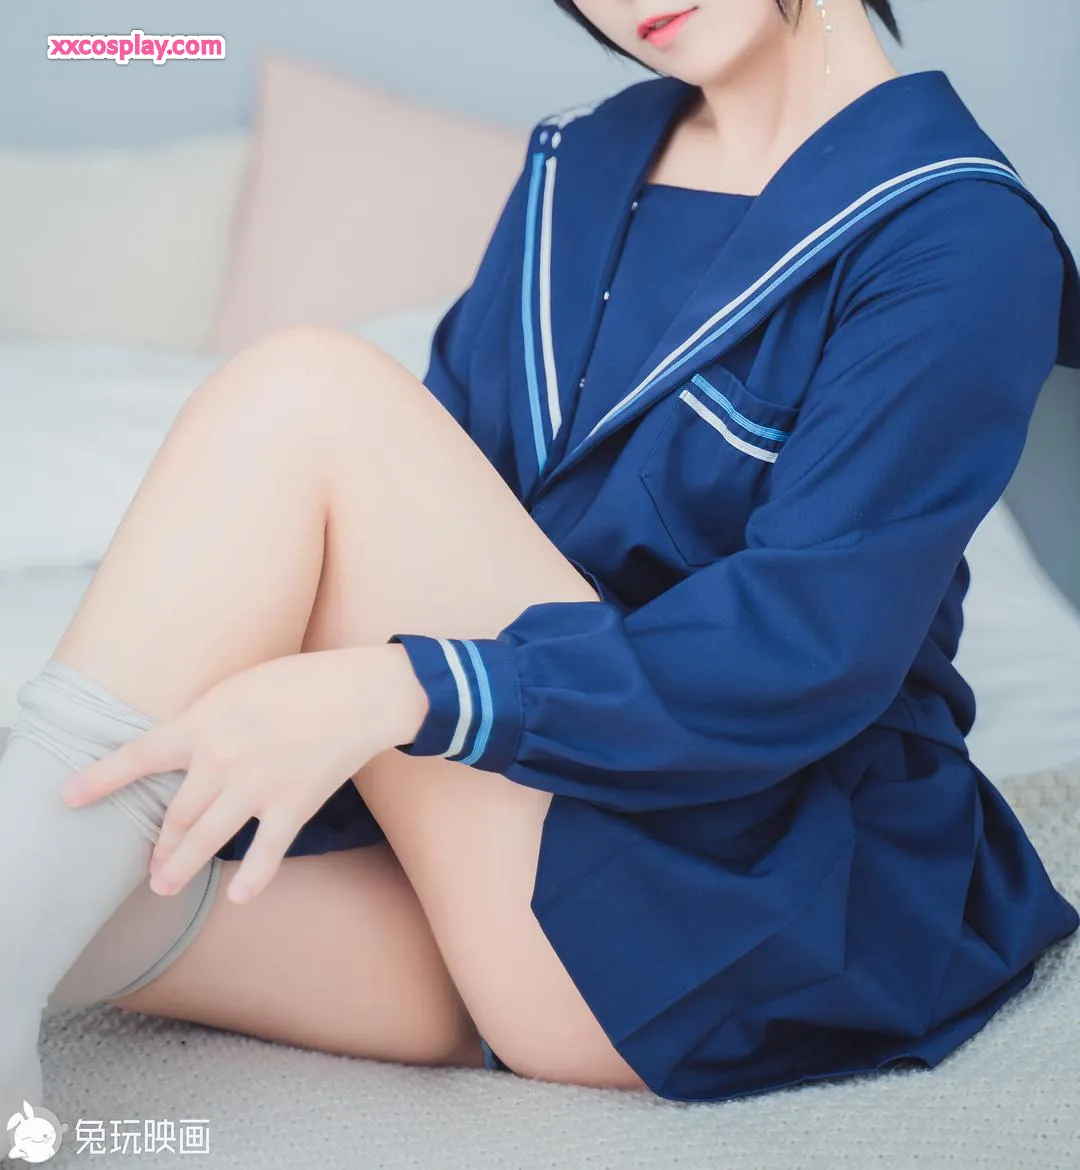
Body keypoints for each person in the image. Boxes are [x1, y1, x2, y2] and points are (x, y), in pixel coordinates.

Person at [2, 0, 1079, 1126]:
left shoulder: (960, 233)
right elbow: (421, 517)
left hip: (729, 900)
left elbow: (808, 644)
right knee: (55, 869)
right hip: (500, 901)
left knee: (308, 393)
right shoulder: (582, 165)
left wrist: (404, 687)